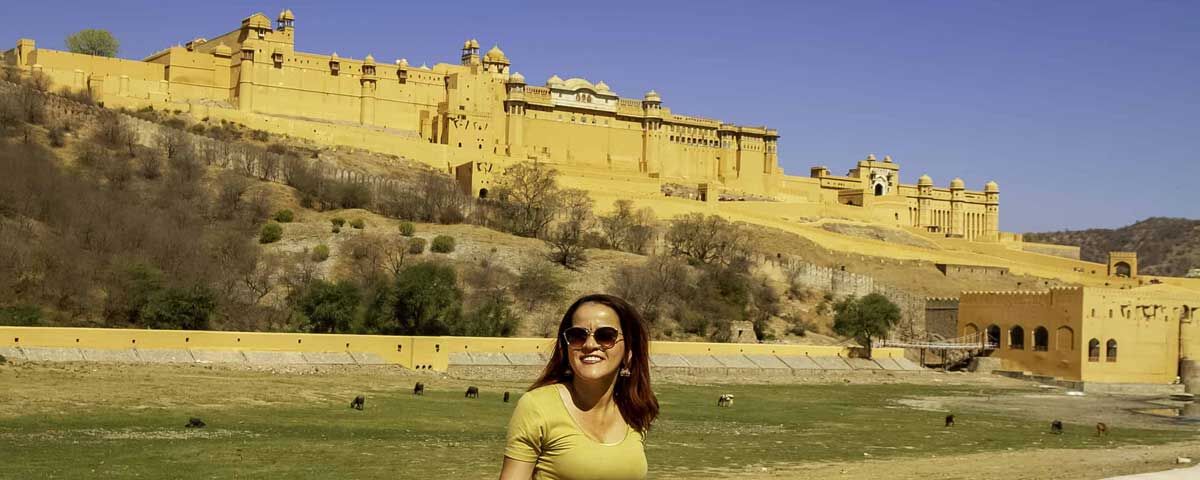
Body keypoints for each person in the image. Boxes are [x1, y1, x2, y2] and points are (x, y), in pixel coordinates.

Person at [499, 294, 659, 480]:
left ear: (629, 351)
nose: (590, 345)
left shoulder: (635, 410)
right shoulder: (538, 407)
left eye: (606, 336)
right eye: (577, 336)